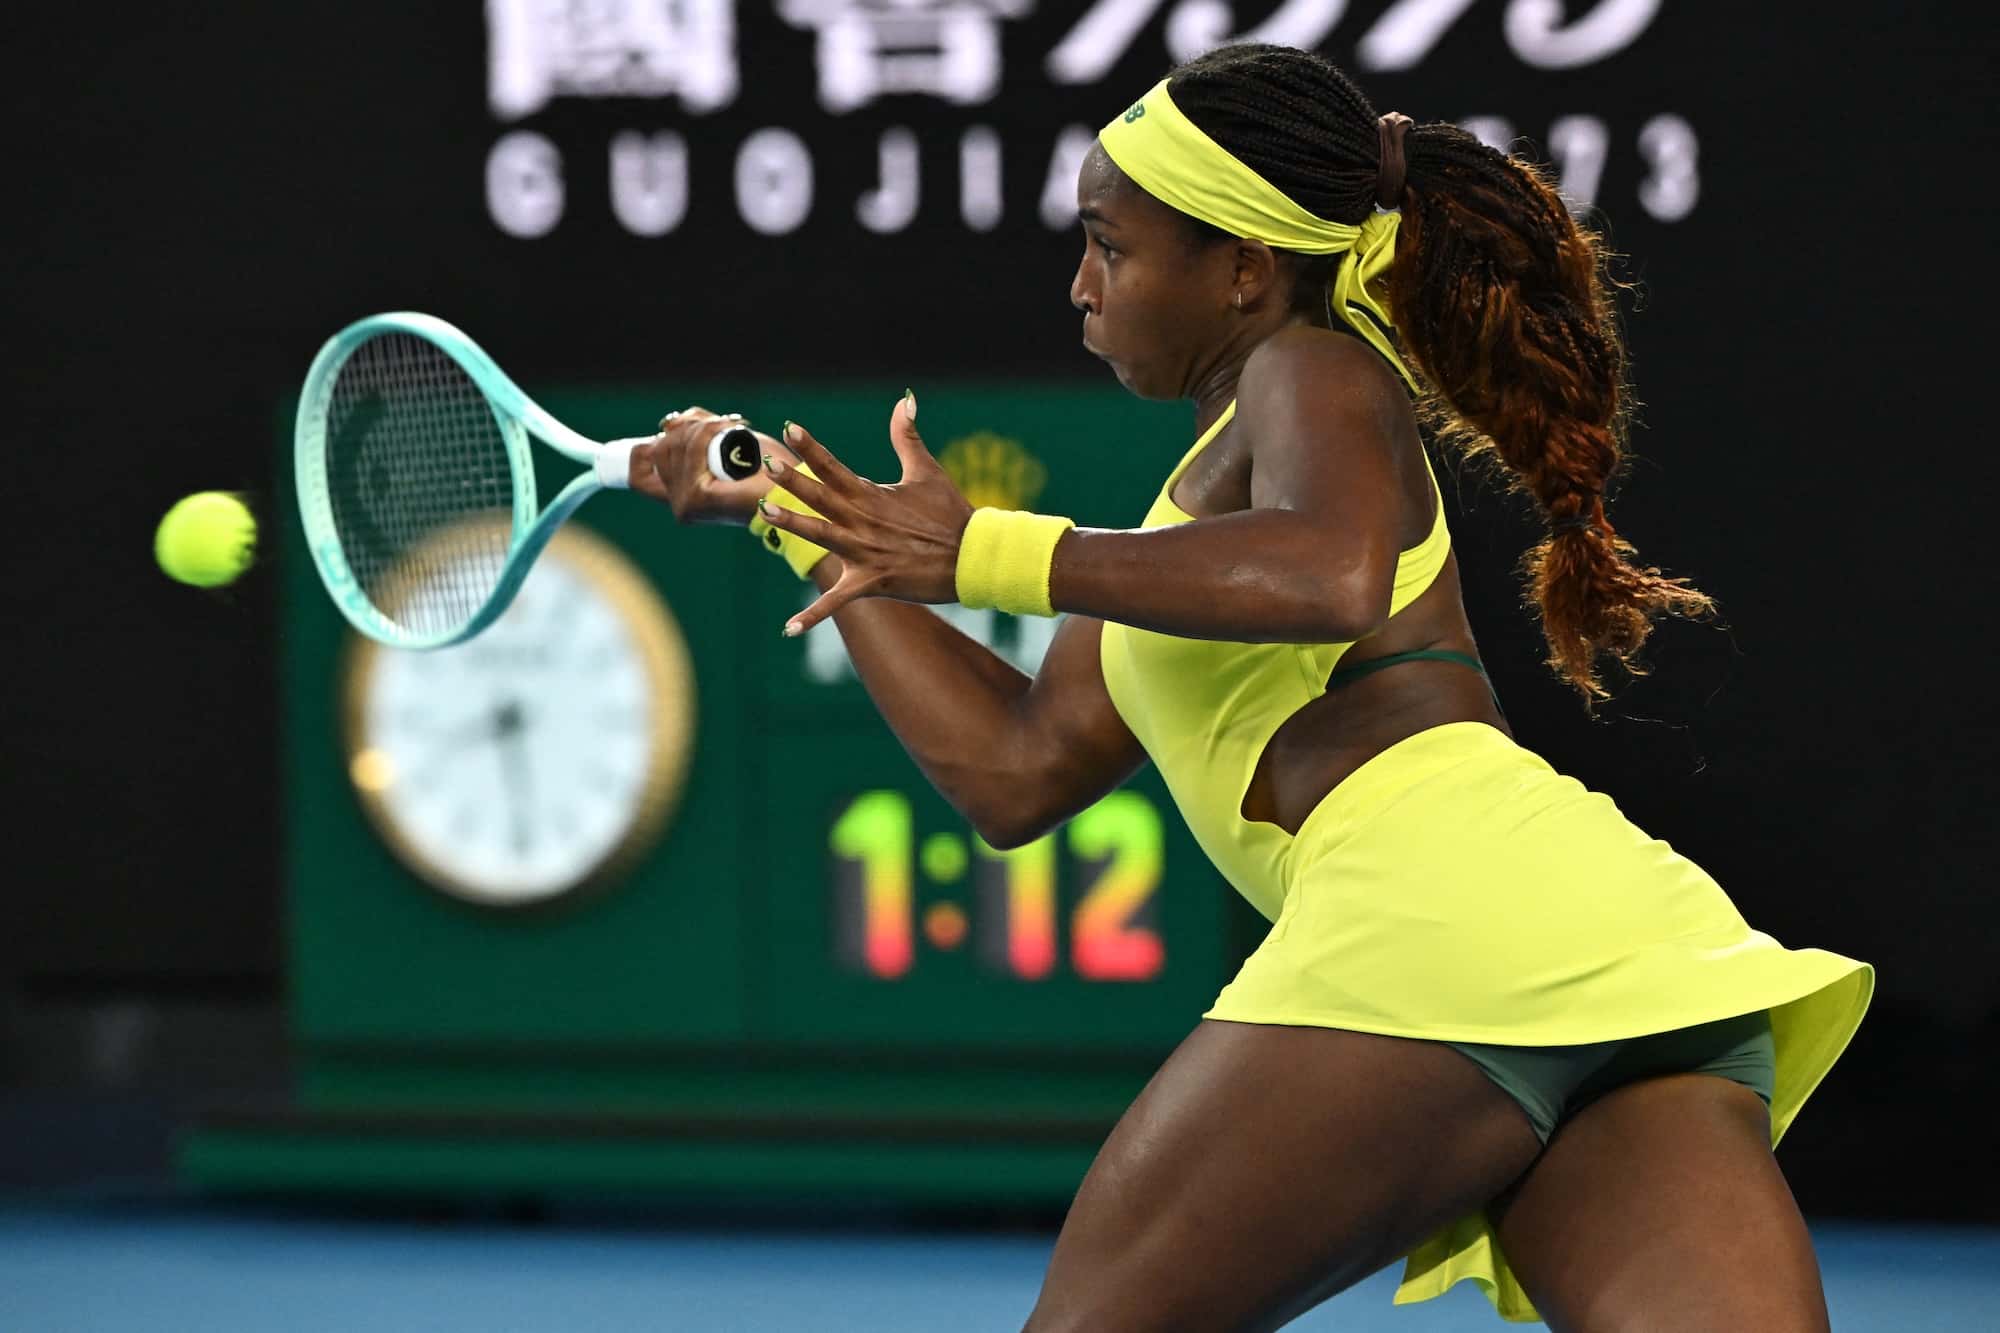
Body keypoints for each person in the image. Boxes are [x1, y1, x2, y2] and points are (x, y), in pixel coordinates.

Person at [632, 43, 1872, 1333]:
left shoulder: (1314, 368)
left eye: (1111, 245)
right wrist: (802, 518)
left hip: (1439, 923)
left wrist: (989, 551)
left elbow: (1335, 572)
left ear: (1243, 270)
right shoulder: (1207, 500)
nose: (1081, 286)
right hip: (1606, 943)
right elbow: (1018, 768)